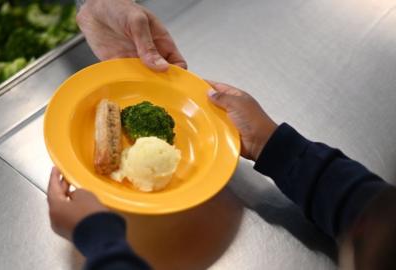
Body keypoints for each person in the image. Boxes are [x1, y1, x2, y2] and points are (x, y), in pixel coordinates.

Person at [47, 0, 396, 269]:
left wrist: (95, 236)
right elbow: (364, 208)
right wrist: (275, 146)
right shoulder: (377, 228)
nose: (364, 228)